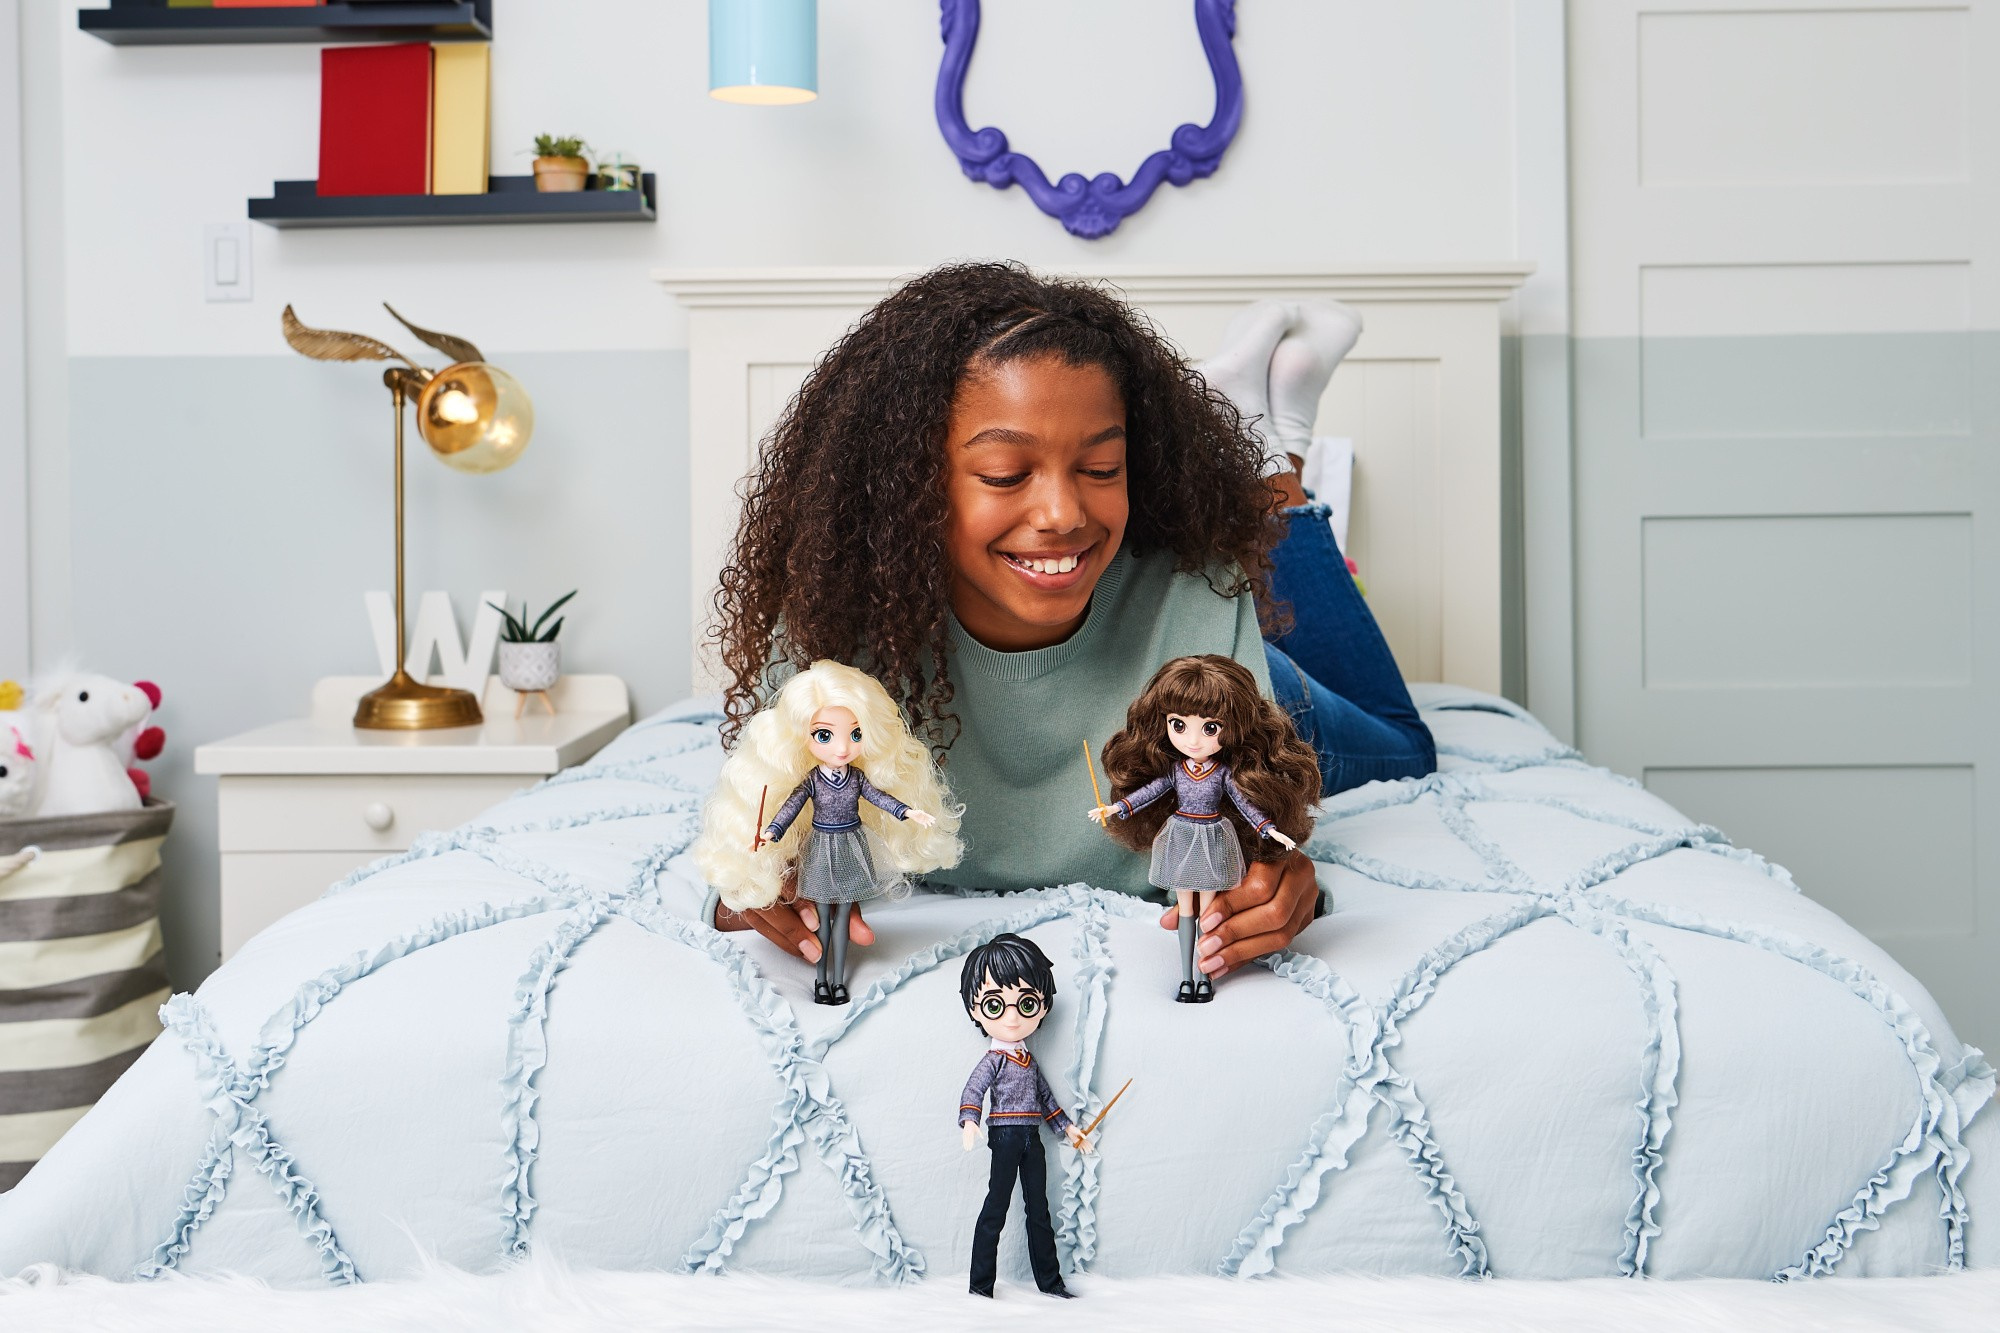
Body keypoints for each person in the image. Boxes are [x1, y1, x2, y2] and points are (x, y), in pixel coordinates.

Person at [710, 262, 1435, 979]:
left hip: (1230, 673)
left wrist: (1277, 873)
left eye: (1101, 468)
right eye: (1005, 474)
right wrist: (753, 886)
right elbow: (759, 834)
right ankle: (1270, 432)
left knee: (1407, 746)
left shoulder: (1195, 592)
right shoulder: (832, 619)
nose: (1062, 514)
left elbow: (1256, 830)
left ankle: (1275, 468)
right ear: (908, 482)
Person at [693, 660, 960, 1003]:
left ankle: (838, 980)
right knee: (821, 917)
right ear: (802, 739)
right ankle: (822, 980)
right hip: (820, 849)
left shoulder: (857, 777)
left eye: (856, 734)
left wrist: (908, 811)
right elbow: (790, 807)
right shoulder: (812, 780)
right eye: (824, 735)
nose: (842, 748)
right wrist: (771, 833)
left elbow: (879, 798)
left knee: (843, 917)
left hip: (851, 846)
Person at [1089, 654, 1319, 1001]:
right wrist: (1116, 808)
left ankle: (1203, 976)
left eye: (1210, 728)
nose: (1193, 740)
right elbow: (1150, 792)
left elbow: (1245, 804)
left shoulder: (1222, 773)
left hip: (1212, 838)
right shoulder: (1176, 771)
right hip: (1181, 836)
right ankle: (1187, 977)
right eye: (1179, 725)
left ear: (1232, 728)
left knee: (1210, 913)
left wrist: (1269, 830)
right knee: (1187, 912)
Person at [956, 932, 1088, 1298]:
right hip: (1005, 1136)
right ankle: (980, 1286)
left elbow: (1046, 1099)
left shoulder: (1029, 1061)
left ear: (1042, 1006)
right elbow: (973, 1090)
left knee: (1039, 1209)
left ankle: (1051, 1282)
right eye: (995, 1005)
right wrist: (970, 1120)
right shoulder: (994, 1060)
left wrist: (1068, 1129)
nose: (1012, 1019)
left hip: (1032, 1136)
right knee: (996, 1208)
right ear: (975, 1010)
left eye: (1026, 1004)